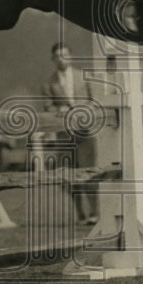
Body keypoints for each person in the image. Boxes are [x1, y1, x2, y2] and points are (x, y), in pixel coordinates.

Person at [41, 42, 97, 224]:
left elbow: (94, 101)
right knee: (69, 175)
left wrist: (81, 111)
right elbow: (48, 107)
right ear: (52, 59)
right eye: (57, 56)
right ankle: (81, 214)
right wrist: (60, 110)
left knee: (90, 172)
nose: (61, 59)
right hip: (64, 134)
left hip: (85, 131)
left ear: (70, 57)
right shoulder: (49, 83)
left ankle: (96, 213)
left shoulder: (84, 76)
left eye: (64, 55)